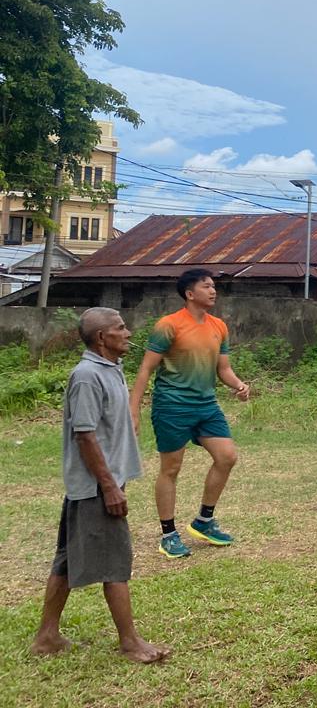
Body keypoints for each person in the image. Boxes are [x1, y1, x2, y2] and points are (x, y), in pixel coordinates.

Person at [32, 308, 170, 663]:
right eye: (120, 328)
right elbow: (85, 435)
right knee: (115, 563)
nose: (128, 332)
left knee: (65, 561)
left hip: (97, 484)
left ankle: (47, 636)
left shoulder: (110, 369)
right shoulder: (87, 376)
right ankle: (130, 642)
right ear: (101, 338)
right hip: (96, 487)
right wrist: (109, 486)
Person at [131, 269, 249, 559]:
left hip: (206, 405)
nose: (213, 291)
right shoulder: (168, 325)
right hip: (172, 405)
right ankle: (169, 534)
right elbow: (146, 368)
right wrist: (133, 411)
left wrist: (238, 385)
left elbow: (223, 369)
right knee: (171, 469)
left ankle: (204, 521)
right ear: (189, 293)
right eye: (206, 286)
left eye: (214, 286)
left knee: (227, 457)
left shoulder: (219, 326)